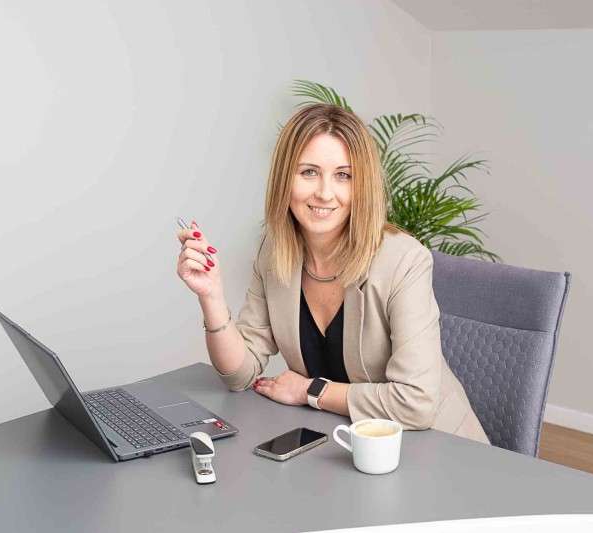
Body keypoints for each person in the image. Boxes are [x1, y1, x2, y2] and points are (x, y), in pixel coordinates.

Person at [176, 103, 489, 443]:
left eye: (343, 175)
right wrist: (211, 296)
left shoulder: (403, 260)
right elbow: (239, 374)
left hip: (437, 444)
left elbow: (416, 403)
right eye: (309, 172)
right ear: (284, 179)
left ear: (361, 185)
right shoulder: (274, 252)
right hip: (345, 443)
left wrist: (310, 391)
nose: (325, 193)